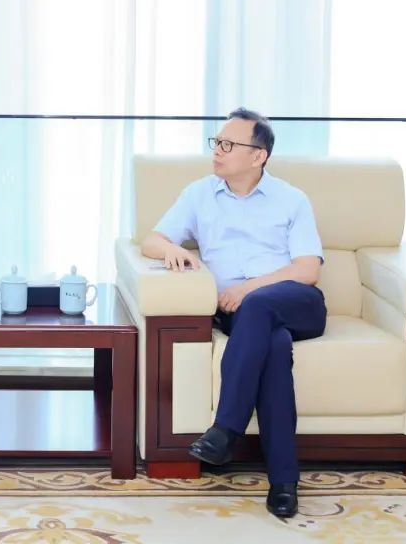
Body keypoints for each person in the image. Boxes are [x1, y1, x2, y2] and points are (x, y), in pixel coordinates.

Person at [140, 107, 325, 519]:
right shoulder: (199, 194)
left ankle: (226, 429)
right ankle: (284, 482)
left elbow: (307, 270)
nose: (217, 150)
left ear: (258, 155)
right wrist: (171, 249)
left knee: (260, 306)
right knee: (274, 347)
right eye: (216, 142)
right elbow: (151, 240)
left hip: (295, 301)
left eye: (228, 144)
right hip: (240, 314)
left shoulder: (291, 199)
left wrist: (248, 288)